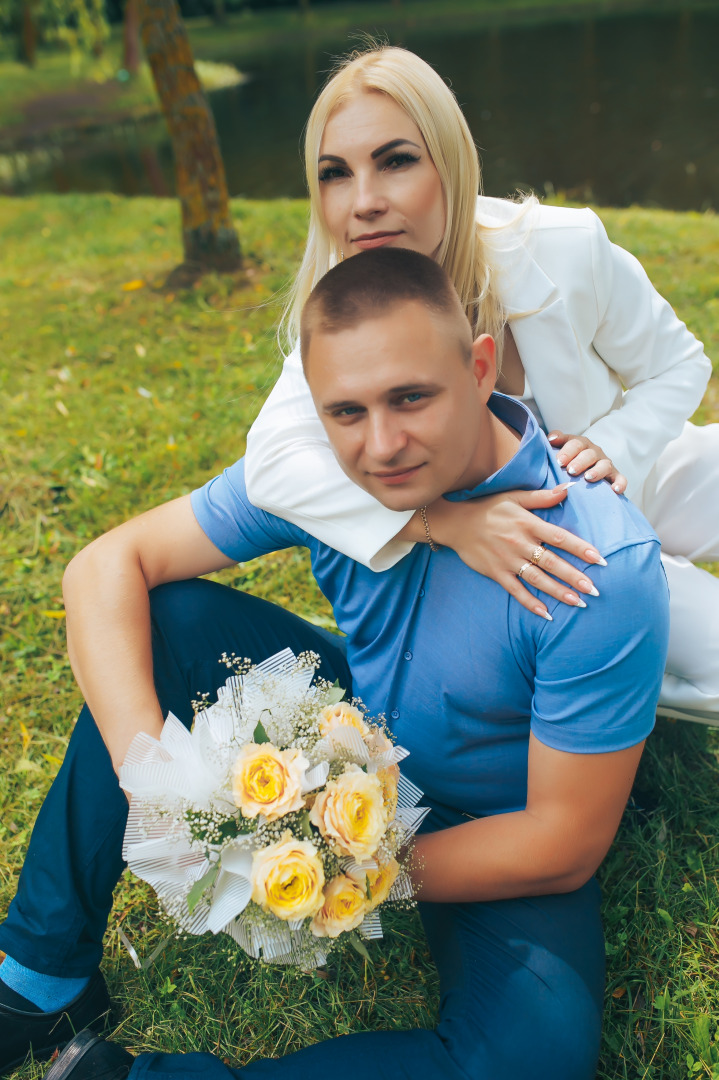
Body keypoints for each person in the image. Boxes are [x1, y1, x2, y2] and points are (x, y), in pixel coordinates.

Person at [37, 249, 668, 1079]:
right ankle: (37, 976)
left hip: (491, 823)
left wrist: (338, 868)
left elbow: (562, 842)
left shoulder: (597, 564)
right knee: (167, 617)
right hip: (357, 727)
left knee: (531, 1059)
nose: (381, 445)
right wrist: (154, 782)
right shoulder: (326, 478)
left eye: (412, 397)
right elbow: (102, 568)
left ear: (479, 369)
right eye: (346, 411)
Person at [243, 43, 719, 722]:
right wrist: (446, 522)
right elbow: (270, 468)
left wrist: (612, 443)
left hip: (628, 471)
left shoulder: (565, 246)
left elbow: (678, 363)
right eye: (335, 173)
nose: (365, 202)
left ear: (451, 161)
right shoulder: (345, 318)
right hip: (552, 542)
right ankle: (593, 683)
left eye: (395, 160)